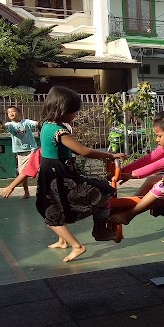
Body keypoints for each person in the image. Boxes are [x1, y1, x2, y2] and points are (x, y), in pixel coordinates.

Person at [36, 86, 125, 262]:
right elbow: (83, 151)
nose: (75, 115)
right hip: (59, 174)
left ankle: (63, 241)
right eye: (73, 112)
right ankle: (80, 244)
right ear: (62, 110)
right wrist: (110, 155)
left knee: (57, 204)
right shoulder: (57, 131)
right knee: (104, 191)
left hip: (52, 172)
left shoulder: (47, 125)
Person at [1, 149, 67, 249]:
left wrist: (11, 186)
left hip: (51, 186)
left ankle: (73, 244)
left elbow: (27, 172)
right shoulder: (61, 149)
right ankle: (62, 240)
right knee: (58, 213)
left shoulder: (42, 151)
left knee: (52, 214)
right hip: (62, 185)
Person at [0, 106, 39, 199]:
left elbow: (36, 123)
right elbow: (4, 126)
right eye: (9, 112)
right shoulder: (10, 125)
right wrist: (0, 122)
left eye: (13, 111)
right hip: (20, 152)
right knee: (23, 174)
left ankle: (42, 190)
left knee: (37, 171)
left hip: (32, 150)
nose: (11, 113)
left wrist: (42, 124)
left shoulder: (26, 122)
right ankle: (26, 193)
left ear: (19, 113)